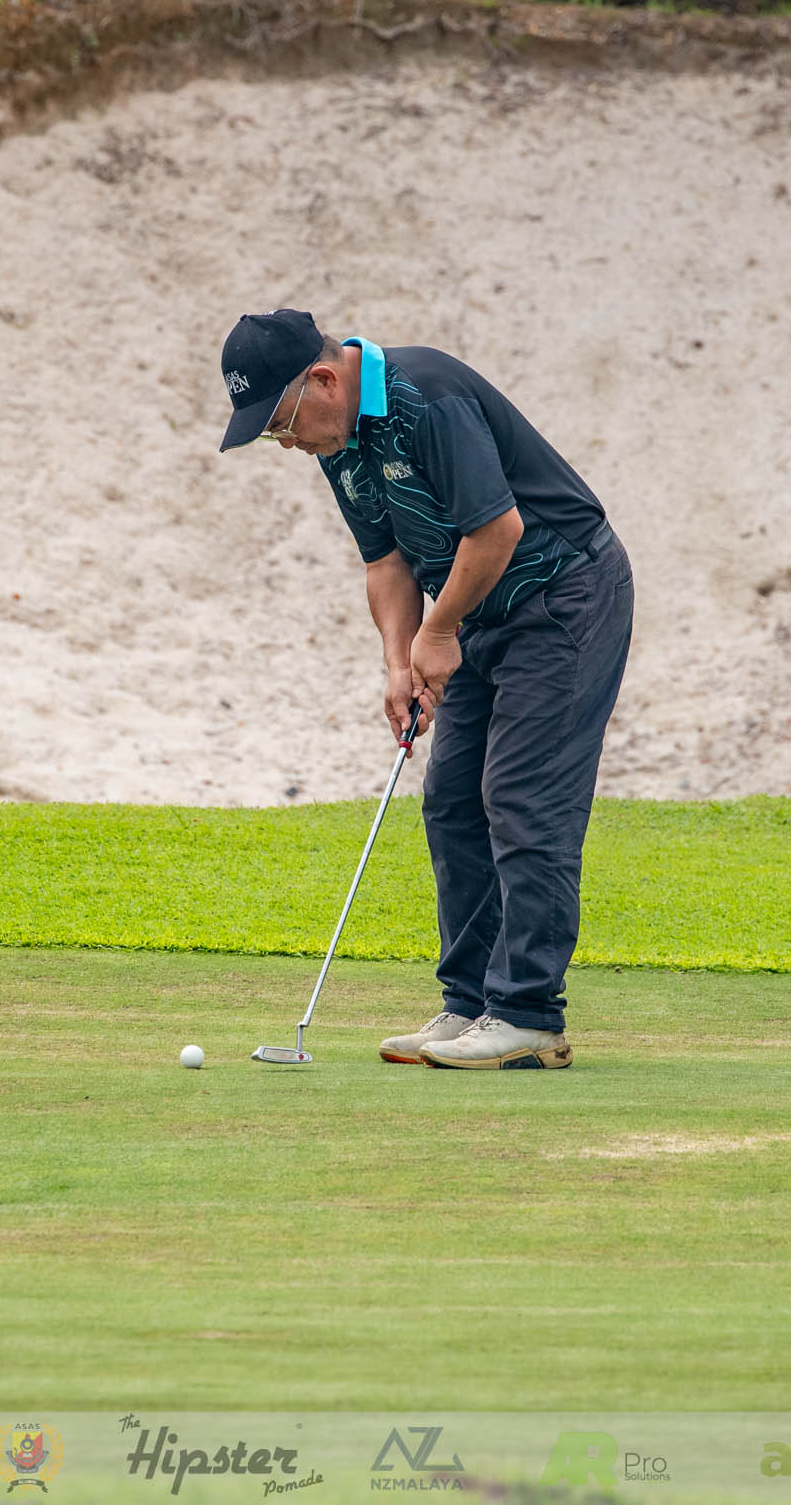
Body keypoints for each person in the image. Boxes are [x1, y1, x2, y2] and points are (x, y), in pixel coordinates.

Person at [217, 310, 634, 1069]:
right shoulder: (338, 440)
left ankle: (528, 1016)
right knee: (450, 800)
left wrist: (437, 634)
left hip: (564, 594)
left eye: (281, 423)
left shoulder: (426, 399)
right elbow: (385, 562)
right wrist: (399, 662)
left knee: (522, 795)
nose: (287, 443)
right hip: (476, 609)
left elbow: (497, 530)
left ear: (323, 380)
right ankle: (470, 1003)